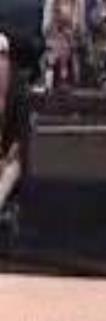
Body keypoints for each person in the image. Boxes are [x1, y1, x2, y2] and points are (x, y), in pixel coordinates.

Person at [0, 33, 30, 213]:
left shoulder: (19, 91)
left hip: (12, 157)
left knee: (10, 172)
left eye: (2, 57)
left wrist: (5, 160)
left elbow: (21, 136)